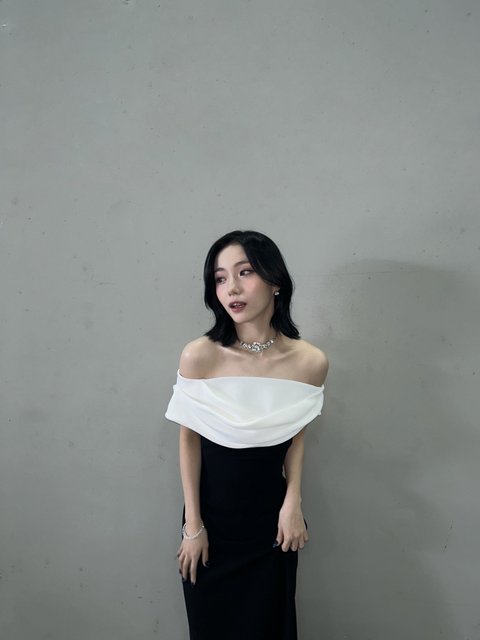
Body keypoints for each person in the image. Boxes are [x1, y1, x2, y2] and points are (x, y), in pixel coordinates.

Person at [165, 230, 329, 640]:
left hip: (272, 523)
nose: (231, 288)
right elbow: (188, 440)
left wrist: (293, 503)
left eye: (245, 272)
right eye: (220, 278)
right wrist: (193, 526)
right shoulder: (199, 355)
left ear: (275, 281)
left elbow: (295, 436)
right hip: (211, 524)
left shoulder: (309, 362)